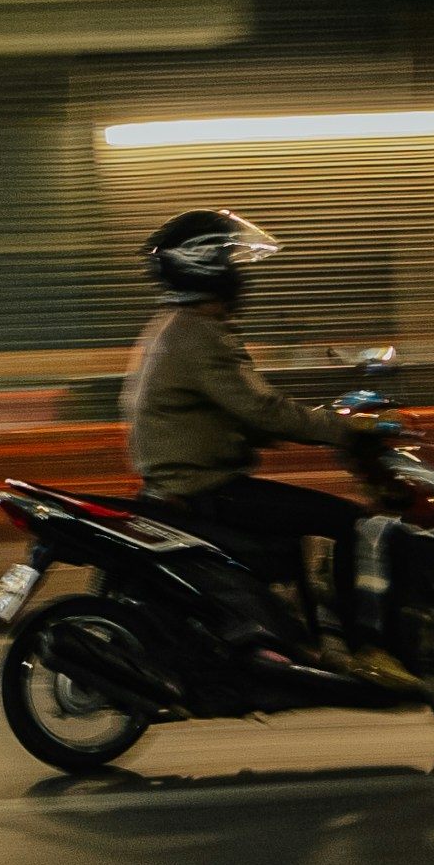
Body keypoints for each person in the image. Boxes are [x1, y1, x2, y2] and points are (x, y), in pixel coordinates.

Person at [123, 206, 383, 658]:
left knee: (296, 526)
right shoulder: (198, 333)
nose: (243, 274)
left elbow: (230, 412)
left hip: (191, 479)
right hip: (206, 487)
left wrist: (296, 430)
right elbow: (261, 408)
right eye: (234, 261)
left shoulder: (176, 327)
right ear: (208, 267)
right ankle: (363, 652)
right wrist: (343, 429)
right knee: (353, 523)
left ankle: (306, 634)